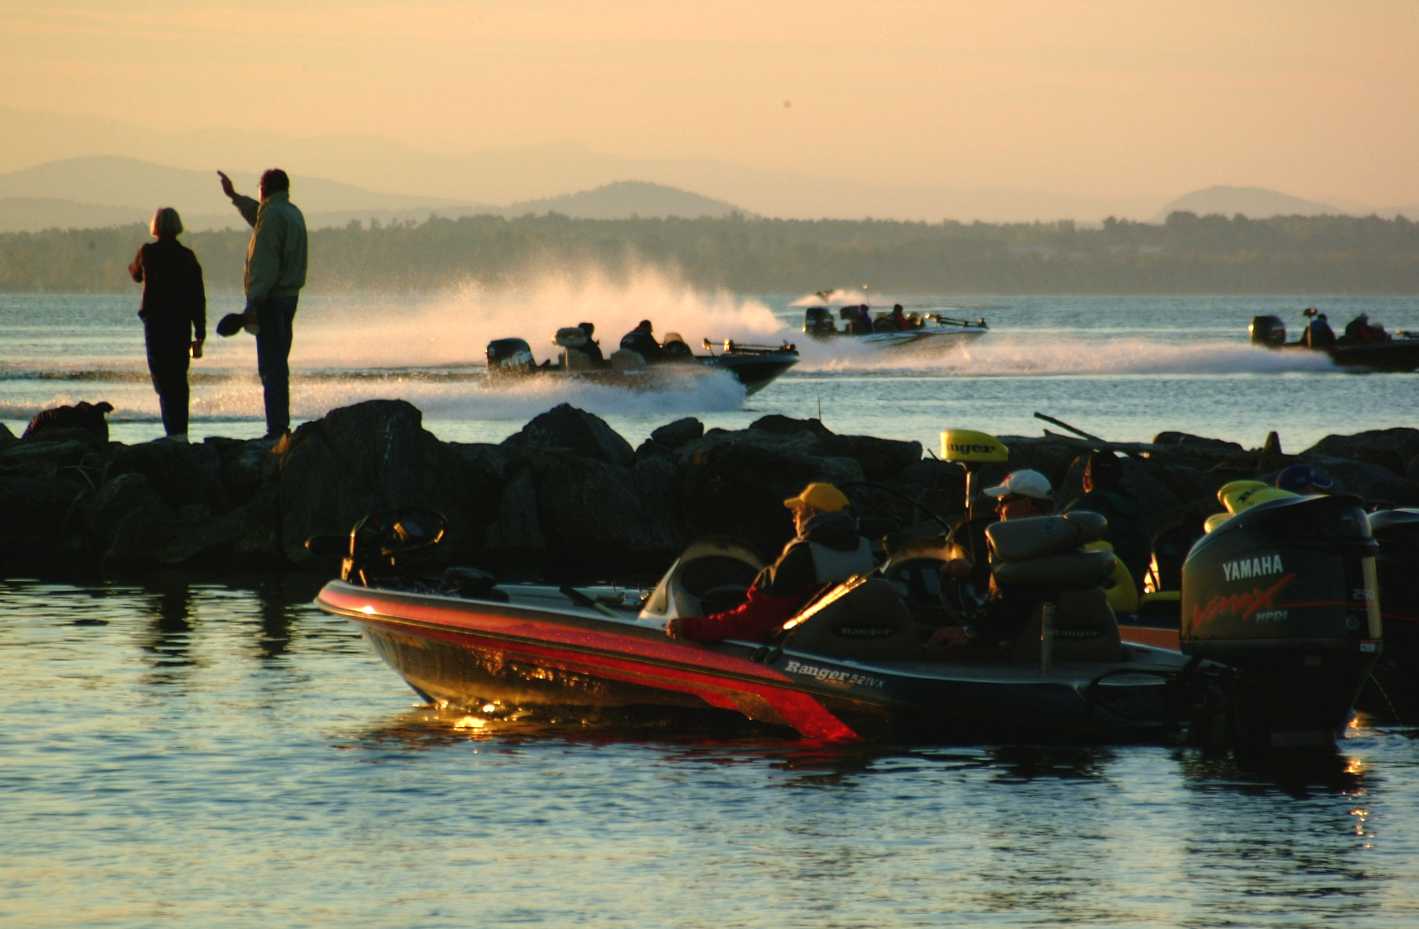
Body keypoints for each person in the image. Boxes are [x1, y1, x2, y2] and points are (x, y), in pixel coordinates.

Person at [665, 482, 874, 643]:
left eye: (797, 511)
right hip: (840, 640)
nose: (793, 519)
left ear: (812, 514)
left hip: (794, 647)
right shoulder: (867, 550)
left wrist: (691, 628)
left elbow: (751, 622)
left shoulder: (801, 558)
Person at [217, 168, 308, 440]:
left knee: (272, 367)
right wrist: (234, 196)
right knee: (278, 363)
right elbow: (258, 215)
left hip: (270, 300)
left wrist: (253, 302)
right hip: (290, 298)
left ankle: (277, 430)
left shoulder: (272, 216)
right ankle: (279, 427)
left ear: (263, 188)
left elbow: (265, 261)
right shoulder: (291, 212)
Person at [128, 207, 206, 441]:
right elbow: (197, 297)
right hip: (180, 324)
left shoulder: (148, 252)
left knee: (161, 378)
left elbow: (135, 275)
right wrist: (200, 331)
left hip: (156, 324)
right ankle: (180, 432)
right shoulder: (187, 256)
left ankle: (172, 432)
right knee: (179, 379)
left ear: (156, 227)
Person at [1061, 451, 1150, 593]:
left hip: (1090, 596)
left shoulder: (1078, 510)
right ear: (1119, 477)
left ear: (1087, 479)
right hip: (1133, 592)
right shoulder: (1136, 508)